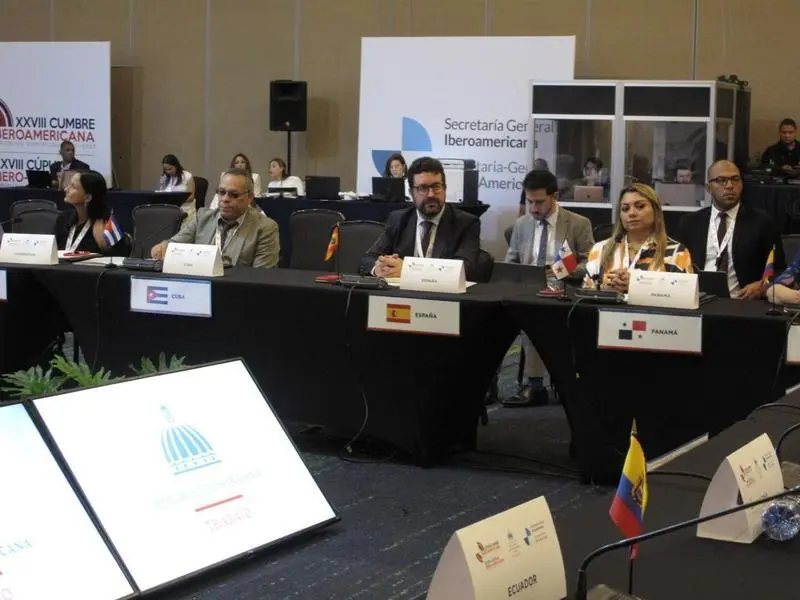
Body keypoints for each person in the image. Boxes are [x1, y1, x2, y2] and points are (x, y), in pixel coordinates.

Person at [505, 169, 594, 407]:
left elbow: (592, 264)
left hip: (564, 291)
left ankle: (534, 385)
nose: (533, 208)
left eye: (539, 202)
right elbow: (511, 262)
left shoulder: (577, 224)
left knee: (536, 315)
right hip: (529, 291)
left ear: (555, 197)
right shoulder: (521, 225)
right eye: (529, 202)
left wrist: (561, 270)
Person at [676, 160, 784, 299]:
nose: (729, 186)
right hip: (697, 300)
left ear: (742, 184)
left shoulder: (762, 222)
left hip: (742, 301)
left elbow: (780, 270)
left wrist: (762, 285)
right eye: (722, 180)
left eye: (735, 179)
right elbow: (676, 266)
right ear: (708, 188)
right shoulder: (690, 222)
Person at [361, 156, 480, 279]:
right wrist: (379, 268)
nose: (431, 194)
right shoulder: (398, 219)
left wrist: (408, 270)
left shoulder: (465, 223)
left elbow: (464, 269)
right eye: (423, 188)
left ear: (445, 189)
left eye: (436, 186)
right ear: (411, 193)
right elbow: (368, 259)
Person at [151, 168, 279, 268]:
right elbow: (173, 246)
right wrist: (163, 247)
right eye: (221, 192)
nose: (225, 199)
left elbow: (261, 276)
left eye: (234, 195)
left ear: (250, 198)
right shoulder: (202, 218)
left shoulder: (265, 228)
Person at [584, 183, 693, 292]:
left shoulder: (677, 252)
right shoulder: (600, 249)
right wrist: (606, 291)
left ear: (656, 211)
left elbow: (685, 295)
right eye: (625, 209)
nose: (631, 213)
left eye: (640, 206)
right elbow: (586, 296)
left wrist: (637, 287)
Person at [56, 170, 130, 256]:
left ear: (87, 197)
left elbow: (121, 258)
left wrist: (104, 247)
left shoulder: (106, 224)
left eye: (73, 186)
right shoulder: (63, 219)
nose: (66, 189)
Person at [157, 154, 196, 220]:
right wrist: (162, 185)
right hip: (169, 209)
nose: (168, 172)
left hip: (185, 210)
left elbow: (191, 197)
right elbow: (162, 193)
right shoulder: (166, 177)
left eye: (170, 169)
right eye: (166, 169)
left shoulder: (187, 176)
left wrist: (175, 199)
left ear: (176, 166)